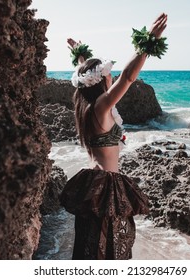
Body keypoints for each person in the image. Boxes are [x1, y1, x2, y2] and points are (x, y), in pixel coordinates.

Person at [60, 13, 168, 260]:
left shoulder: (87, 106)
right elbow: (129, 77)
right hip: (106, 186)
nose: (111, 75)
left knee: (92, 244)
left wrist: (79, 53)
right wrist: (147, 42)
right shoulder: (101, 105)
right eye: (108, 73)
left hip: (94, 184)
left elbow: (86, 74)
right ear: (100, 80)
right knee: (107, 248)